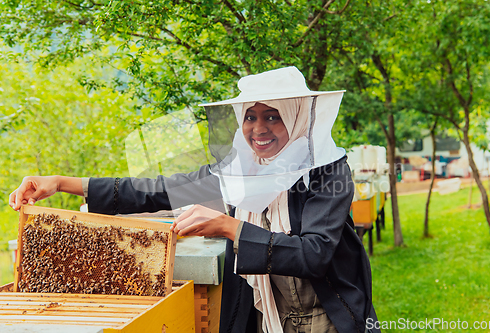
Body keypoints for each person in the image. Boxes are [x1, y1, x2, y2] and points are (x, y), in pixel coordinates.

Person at [10, 67, 378, 333]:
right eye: (250, 116)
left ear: (297, 118)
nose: (258, 128)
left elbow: (313, 254)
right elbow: (156, 190)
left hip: (329, 318)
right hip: (267, 318)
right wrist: (60, 182)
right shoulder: (237, 171)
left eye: (273, 116)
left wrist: (231, 227)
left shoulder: (328, 171)